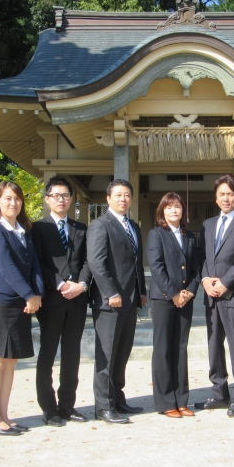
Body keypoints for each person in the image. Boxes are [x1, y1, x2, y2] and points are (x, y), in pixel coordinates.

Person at [0, 181, 44, 436]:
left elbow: (34, 264)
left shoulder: (23, 230)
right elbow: (6, 266)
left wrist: (37, 294)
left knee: (11, 360)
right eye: (7, 198)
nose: (13, 203)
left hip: (22, 302)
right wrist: (29, 294)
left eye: (17, 199)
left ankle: (4, 415)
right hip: (1, 301)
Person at [32, 175, 92, 426]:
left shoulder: (81, 228)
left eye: (66, 195)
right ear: (47, 199)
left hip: (77, 300)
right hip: (51, 300)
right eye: (56, 195)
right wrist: (60, 283)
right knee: (47, 353)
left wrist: (81, 285)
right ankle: (48, 408)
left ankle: (67, 405)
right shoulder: (38, 228)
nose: (61, 200)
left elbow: (88, 261)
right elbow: (37, 262)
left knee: (72, 353)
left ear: (71, 199)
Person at [195, 174, 234, 417]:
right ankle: (219, 393)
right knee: (214, 345)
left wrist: (225, 283)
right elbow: (201, 255)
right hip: (211, 294)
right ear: (216, 197)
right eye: (221, 194)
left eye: (230, 194)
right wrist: (205, 280)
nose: (226, 198)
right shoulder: (208, 224)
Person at [87, 179, 147, 424]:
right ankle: (103, 406)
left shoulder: (133, 227)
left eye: (127, 195)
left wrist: (141, 290)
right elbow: (96, 262)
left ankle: (117, 398)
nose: (123, 199)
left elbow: (136, 264)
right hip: (109, 302)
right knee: (107, 355)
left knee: (122, 353)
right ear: (108, 198)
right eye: (118, 195)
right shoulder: (100, 225)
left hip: (130, 300)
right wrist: (110, 293)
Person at [146, 193, 200, 418]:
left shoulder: (190, 237)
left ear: (183, 210)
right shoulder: (156, 234)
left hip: (186, 298)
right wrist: (174, 294)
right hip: (163, 299)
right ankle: (166, 401)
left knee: (180, 347)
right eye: (168, 207)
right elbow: (156, 267)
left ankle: (181, 399)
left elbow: (196, 268)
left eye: (177, 207)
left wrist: (190, 291)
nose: (173, 211)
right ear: (162, 211)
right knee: (163, 349)